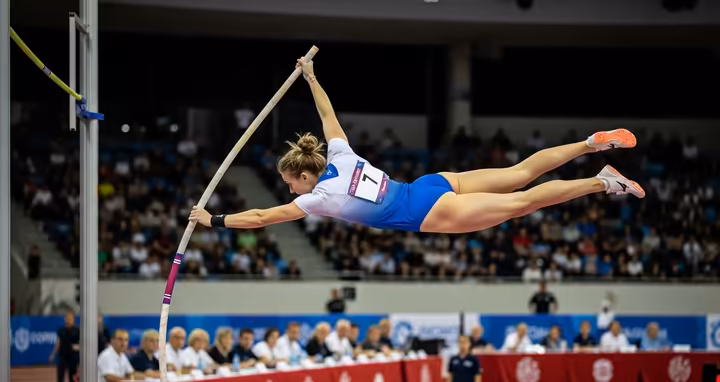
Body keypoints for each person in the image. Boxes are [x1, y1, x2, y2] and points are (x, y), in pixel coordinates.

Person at [189, 58, 644, 235]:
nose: (290, 191)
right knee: (523, 171)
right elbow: (328, 115)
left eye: (290, 183)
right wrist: (310, 77)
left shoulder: (318, 198)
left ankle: (601, 182)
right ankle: (588, 144)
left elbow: (264, 217)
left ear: (304, 176)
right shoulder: (341, 154)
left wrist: (216, 219)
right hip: (427, 185)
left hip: (427, 212)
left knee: (521, 202)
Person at [49, 311, 79, 382]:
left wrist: (78, 347)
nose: (69, 319)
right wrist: (53, 354)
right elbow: (58, 343)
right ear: (65, 319)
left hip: (73, 358)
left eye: (71, 318)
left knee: (72, 378)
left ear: (73, 319)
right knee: (60, 377)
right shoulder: (61, 330)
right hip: (62, 357)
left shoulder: (77, 330)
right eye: (67, 318)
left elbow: (82, 344)